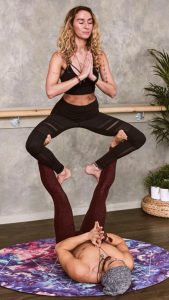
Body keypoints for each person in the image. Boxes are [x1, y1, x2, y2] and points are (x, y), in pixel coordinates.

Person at [26, 5, 146, 184]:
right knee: (33, 144)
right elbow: (50, 91)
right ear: (71, 25)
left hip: (91, 113)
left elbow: (112, 91)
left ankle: (97, 166)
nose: (86, 26)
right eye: (81, 21)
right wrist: (80, 77)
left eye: (90, 22)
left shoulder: (98, 56)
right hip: (64, 114)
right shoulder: (60, 57)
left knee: (138, 137)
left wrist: (92, 78)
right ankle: (62, 171)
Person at [38, 135, 134, 296]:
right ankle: (114, 147)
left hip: (69, 241)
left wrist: (88, 236)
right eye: (119, 261)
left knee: (59, 196)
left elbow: (60, 248)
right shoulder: (126, 262)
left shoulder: (82, 272)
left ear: (103, 274)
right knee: (102, 191)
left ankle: (40, 149)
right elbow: (119, 242)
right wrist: (103, 236)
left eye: (110, 262)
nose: (112, 257)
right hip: (94, 234)